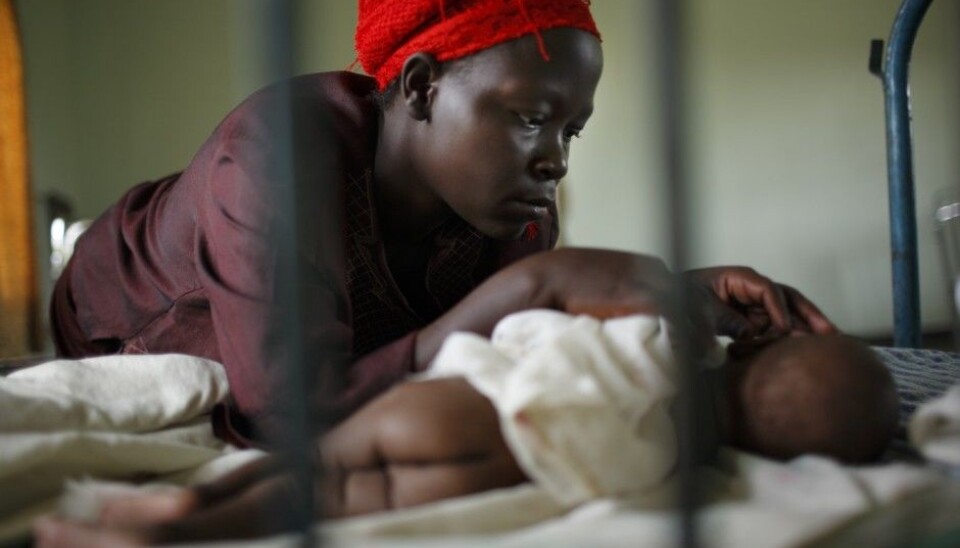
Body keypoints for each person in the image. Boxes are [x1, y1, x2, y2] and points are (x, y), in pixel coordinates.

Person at [48, 0, 835, 450]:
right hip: (118, 307)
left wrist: (669, 296)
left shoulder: (516, 214)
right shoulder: (274, 160)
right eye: (531, 118)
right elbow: (284, 413)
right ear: (421, 88)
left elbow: (509, 348)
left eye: (572, 131)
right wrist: (534, 288)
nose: (555, 160)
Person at [32, 313, 898, 547]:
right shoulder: (679, 463)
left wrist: (496, 350)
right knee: (328, 501)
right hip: (506, 470)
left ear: (752, 349)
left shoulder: (672, 346)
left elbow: (548, 336)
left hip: (462, 407)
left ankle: (186, 509)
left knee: (315, 460)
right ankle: (201, 536)